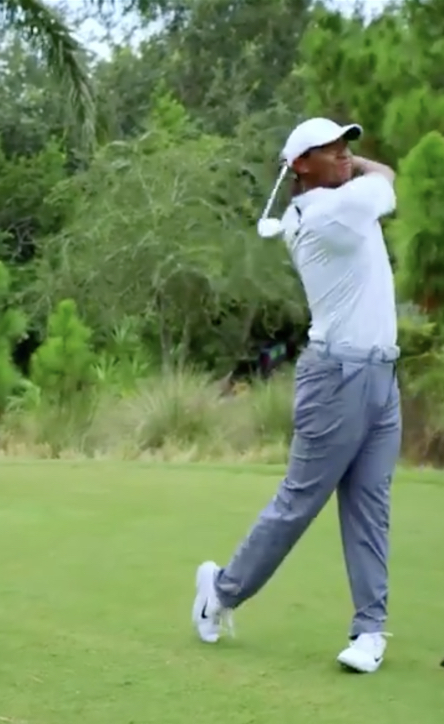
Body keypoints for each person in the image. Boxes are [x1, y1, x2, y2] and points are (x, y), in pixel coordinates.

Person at [193, 118, 399, 673]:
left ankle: (369, 632)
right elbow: (386, 183)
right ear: (300, 165)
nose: (342, 155)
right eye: (328, 149)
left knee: (370, 508)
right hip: (336, 378)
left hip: (382, 375)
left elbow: (379, 181)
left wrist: (354, 165)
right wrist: (365, 167)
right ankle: (221, 591)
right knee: (298, 504)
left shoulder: (340, 199)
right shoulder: (321, 214)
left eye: (345, 146)